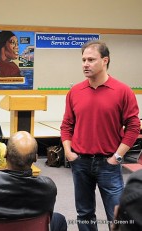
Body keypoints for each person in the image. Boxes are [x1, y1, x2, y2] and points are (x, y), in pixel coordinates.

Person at [60, 40, 140, 231]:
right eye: (83, 60)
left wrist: (117, 157)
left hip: (109, 164)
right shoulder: (75, 92)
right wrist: (68, 152)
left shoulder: (123, 91)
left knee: (117, 215)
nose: (85, 64)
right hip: (80, 163)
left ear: (105, 60)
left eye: (91, 60)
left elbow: (133, 127)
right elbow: (66, 125)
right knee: (84, 213)